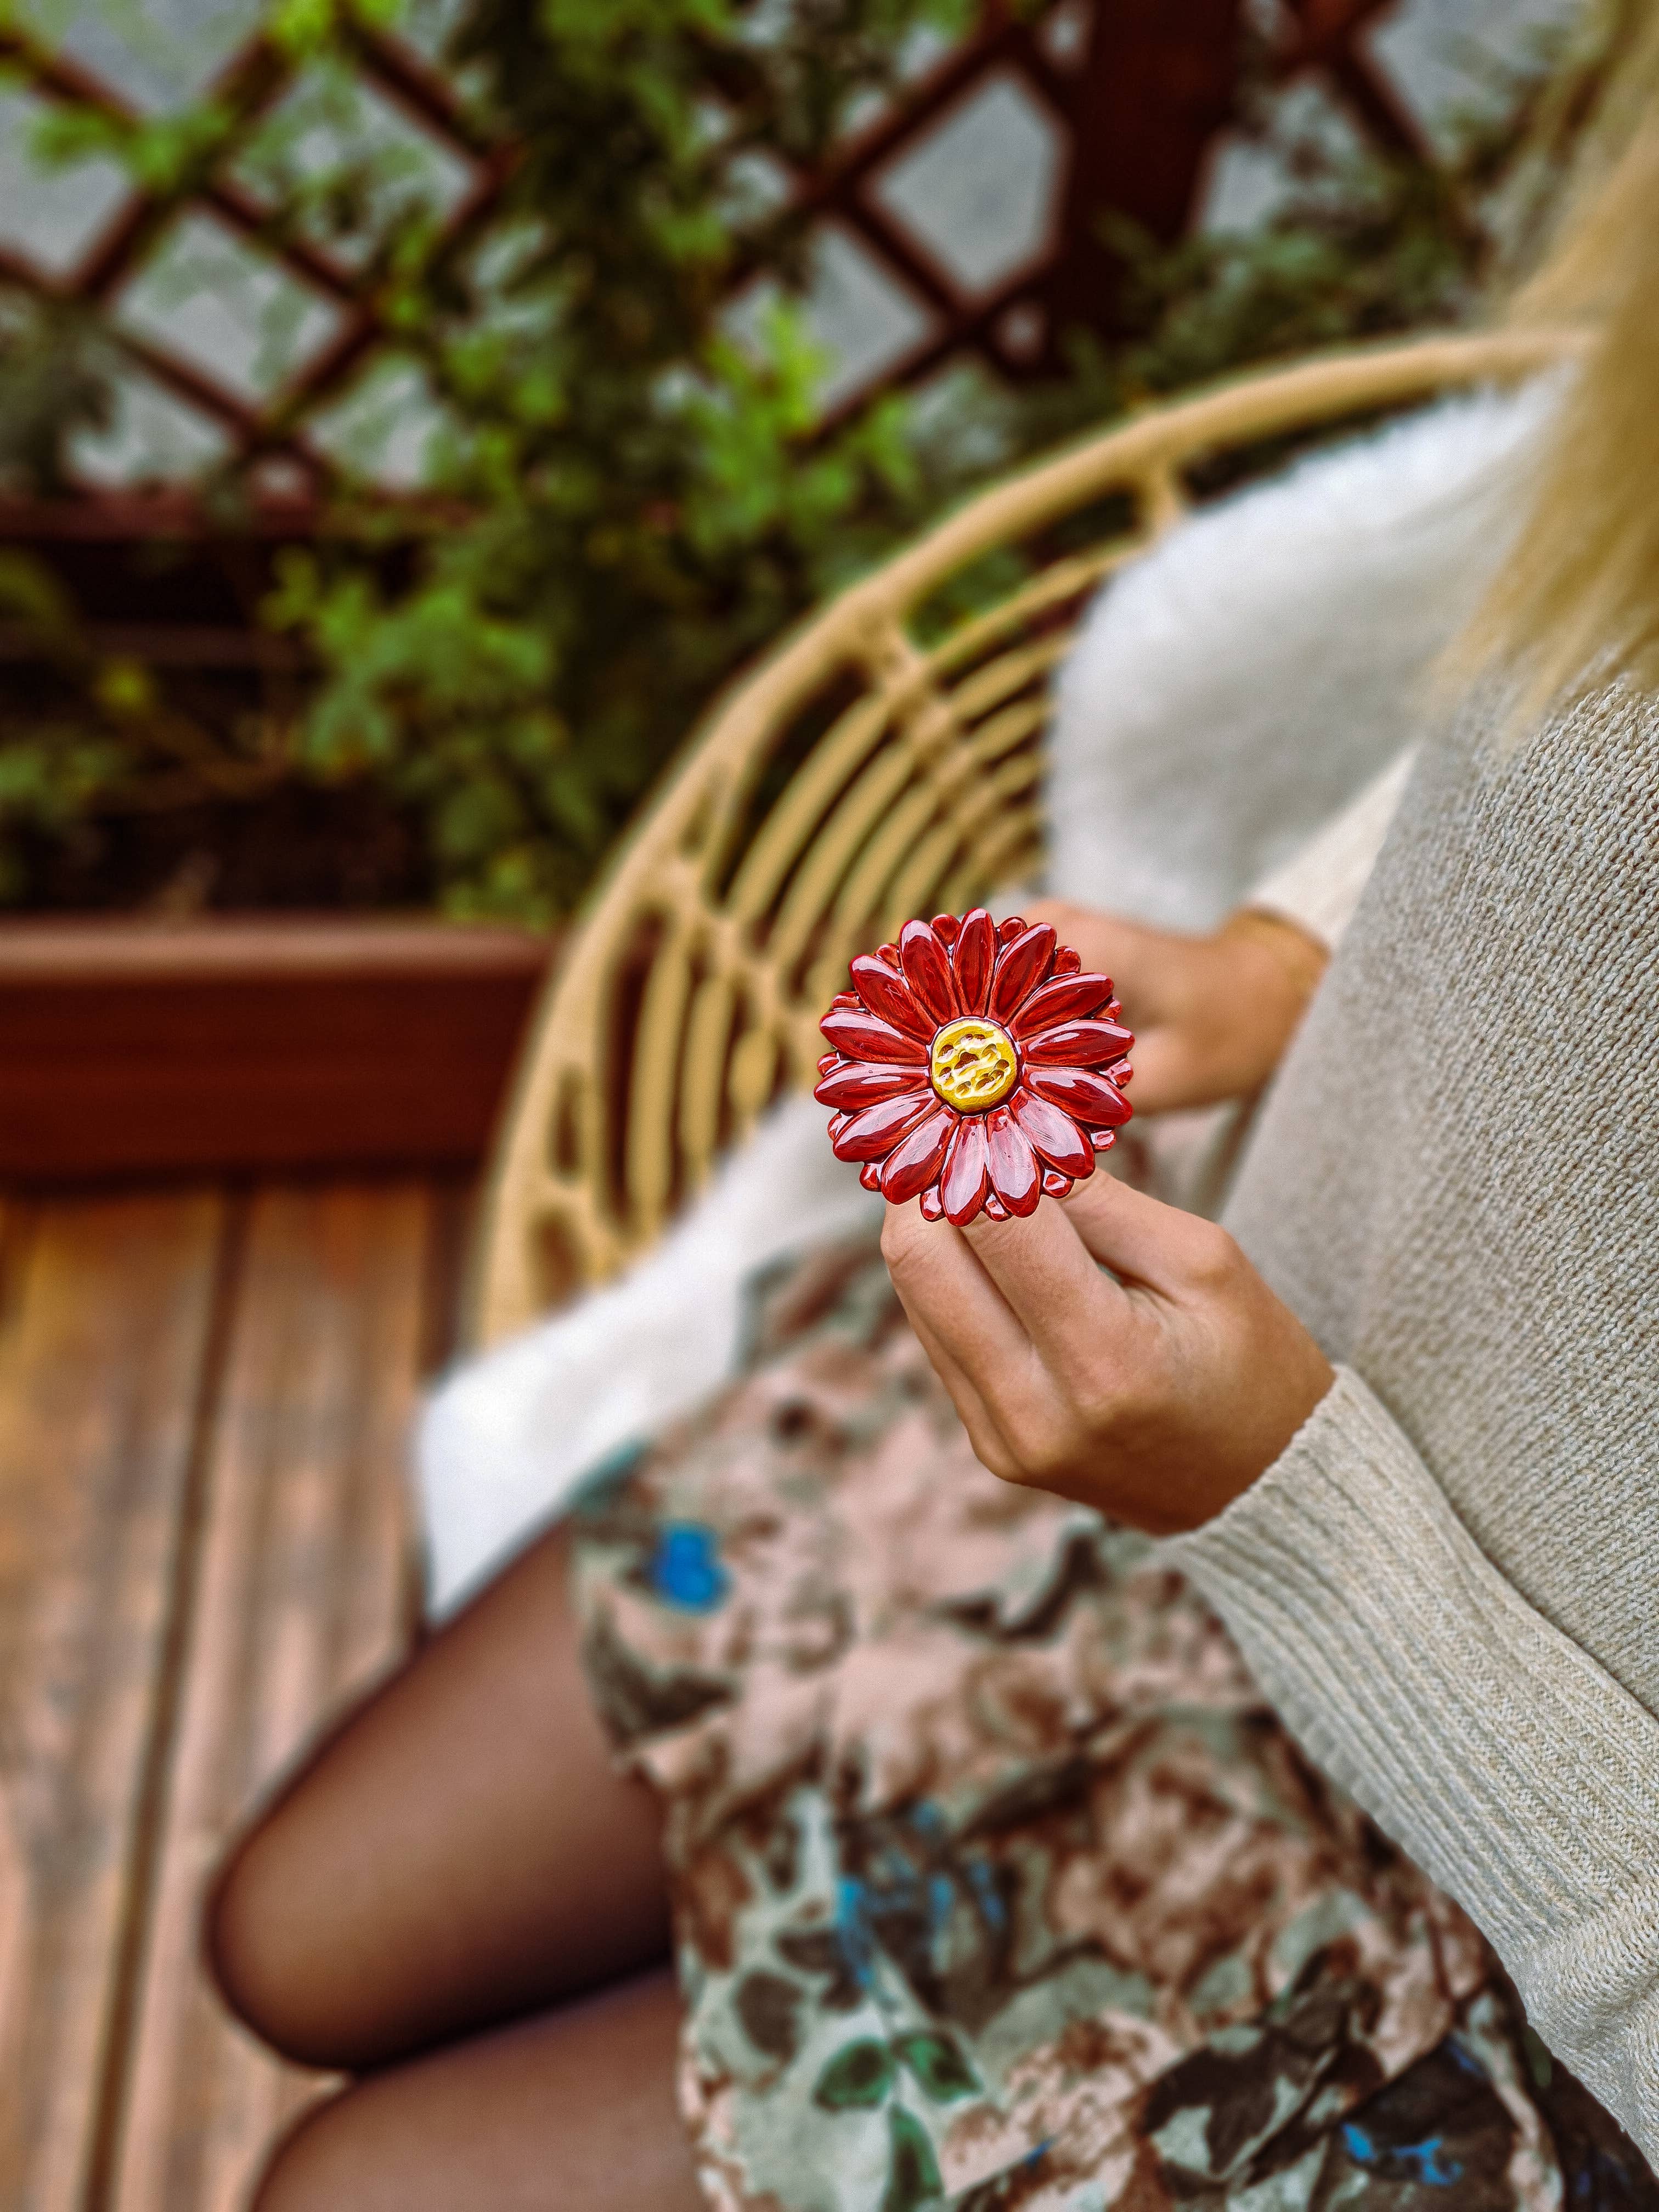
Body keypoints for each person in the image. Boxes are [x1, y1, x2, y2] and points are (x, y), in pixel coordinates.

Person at [206, 41, 1659, 2212]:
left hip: (1514, 1926)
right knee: (293, 1931)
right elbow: (1596, 672)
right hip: (1191, 1416)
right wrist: (1283, 959)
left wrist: (1286, 1505)